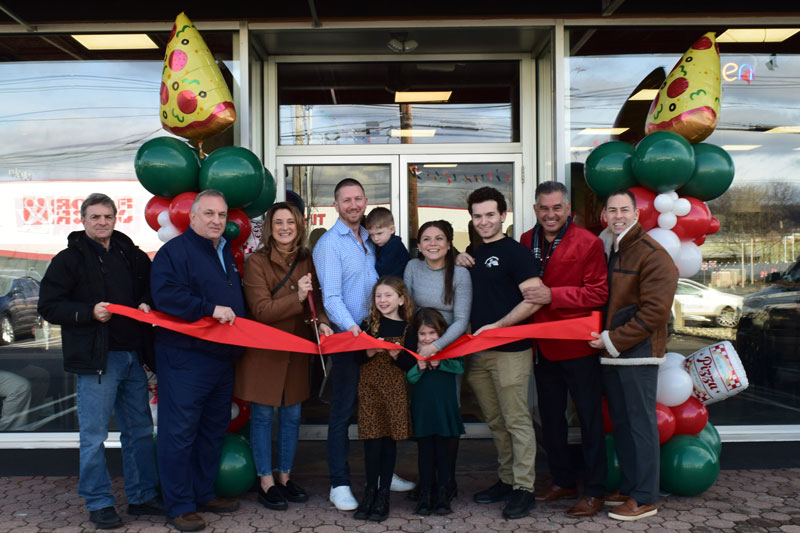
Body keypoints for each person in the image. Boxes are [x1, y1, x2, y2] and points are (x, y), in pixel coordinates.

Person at [38, 193, 161, 529]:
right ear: (83, 220)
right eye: (95, 217)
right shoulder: (68, 259)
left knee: (138, 431)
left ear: (115, 218)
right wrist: (87, 312)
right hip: (96, 361)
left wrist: (147, 302)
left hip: (133, 357)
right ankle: (98, 502)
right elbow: (48, 306)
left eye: (107, 216)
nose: (102, 222)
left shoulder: (130, 254)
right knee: (93, 436)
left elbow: (150, 288)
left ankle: (142, 496)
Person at [313, 178, 413, 511]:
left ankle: (385, 475)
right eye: (346, 200)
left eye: (358, 198)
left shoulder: (373, 240)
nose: (353, 205)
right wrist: (357, 331)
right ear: (336, 205)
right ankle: (339, 483)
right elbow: (331, 296)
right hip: (350, 338)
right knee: (342, 413)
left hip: (379, 338)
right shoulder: (330, 244)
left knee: (380, 407)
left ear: (366, 200)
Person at [150, 190, 245, 532]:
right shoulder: (173, 252)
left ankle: (203, 492)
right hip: (185, 359)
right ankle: (179, 505)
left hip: (220, 359)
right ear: (191, 217)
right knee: (179, 433)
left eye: (221, 215)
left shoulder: (225, 252)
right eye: (208, 214)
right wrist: (207, 309)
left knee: (212, 429)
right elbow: (166, 295)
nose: (216, 220)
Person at [234, 202, 334, 511]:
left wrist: (325, 322)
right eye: (278, 222)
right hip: (265, 352)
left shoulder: (308, 260)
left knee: (292, 417)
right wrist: (297, 297)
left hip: (297, 350)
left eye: (290, 222)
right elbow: (262, 310)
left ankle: (285, 477)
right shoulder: (256, 263)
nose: (285, 227)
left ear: (300, 225)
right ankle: (266, 481)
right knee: (263, 417)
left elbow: (317, 303)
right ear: (269, 228)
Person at [519, 180, 609, 518]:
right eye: (544, 208)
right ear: (535, 210)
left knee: (589, 421)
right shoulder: (527, 240)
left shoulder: (588, 242)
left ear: (568, 209)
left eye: (557, 207)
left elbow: (598, 294)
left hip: (578, 346)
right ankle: (563, 480)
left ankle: (596, 490)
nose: (550, 213)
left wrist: (553, 296)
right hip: (542, 347)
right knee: (551, 419)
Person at [590, 189, 678, 521]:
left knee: (641, 425)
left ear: (637, 214)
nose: (618, 216)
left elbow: (654, 313)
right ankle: (630, 488)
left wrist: (613, 339)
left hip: (638, 354)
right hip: (612, 352)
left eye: (624, 210)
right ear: (605, 215)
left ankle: (645, 497)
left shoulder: (653, 255)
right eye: (612, 210)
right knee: (624, 424)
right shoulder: (610, 249)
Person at [460, 186, 542, 520]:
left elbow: (534, 298)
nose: (484, 221)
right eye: (477, 216)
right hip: (478, 354)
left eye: (489, 215)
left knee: (516, 420)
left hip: (510, 351)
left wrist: (499, 326)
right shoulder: (472, 252)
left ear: (503, 216)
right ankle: (507, 480)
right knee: (495, 421)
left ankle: (525, 489)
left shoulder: (516, 253)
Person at [403, 220, 471, 501]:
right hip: (419, 347)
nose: (433, 244)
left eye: (439, 238)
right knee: (424, 413)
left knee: (447, 414)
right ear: (419, 245)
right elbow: (406, 308)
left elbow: (462, 318)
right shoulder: (412, 268)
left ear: (448, 243)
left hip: (449, 349)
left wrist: (438, 347)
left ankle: (447, 481)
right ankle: (426, 480)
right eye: (427, 239)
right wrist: (420, 347)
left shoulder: (460, 273)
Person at [352, 276, 417, 522]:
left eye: (388, 295)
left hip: (394, 390)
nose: (383, 300)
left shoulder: (408, 328)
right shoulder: (368, 325)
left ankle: (383, 495)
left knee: (389, 442)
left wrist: (394, 354)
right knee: (371, 441)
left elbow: (410, 363)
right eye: (378, 296)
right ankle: (369, 492)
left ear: (401, 299)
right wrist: (370, 349)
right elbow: (357, 359)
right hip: (369, 389)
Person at [406, 307, 465, 516]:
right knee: (425, 454)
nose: (427, 338)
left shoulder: (449, 350)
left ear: (441, 333)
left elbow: (460, 368)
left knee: (443, 453)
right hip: (424, 410)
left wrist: (441, 362)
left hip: (444, 409)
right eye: (423, 334)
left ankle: (443, 493)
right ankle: (425, 495)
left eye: (432, 333)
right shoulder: (414, 352)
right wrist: (418, 368)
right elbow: (409, 378)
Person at [365, 207, 410, 277]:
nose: (375, 238)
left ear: (392, 229)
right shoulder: (382, 243)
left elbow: (382, 269)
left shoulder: (394, 245)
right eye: (371, 234)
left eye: (379, 233)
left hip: (397, 284)